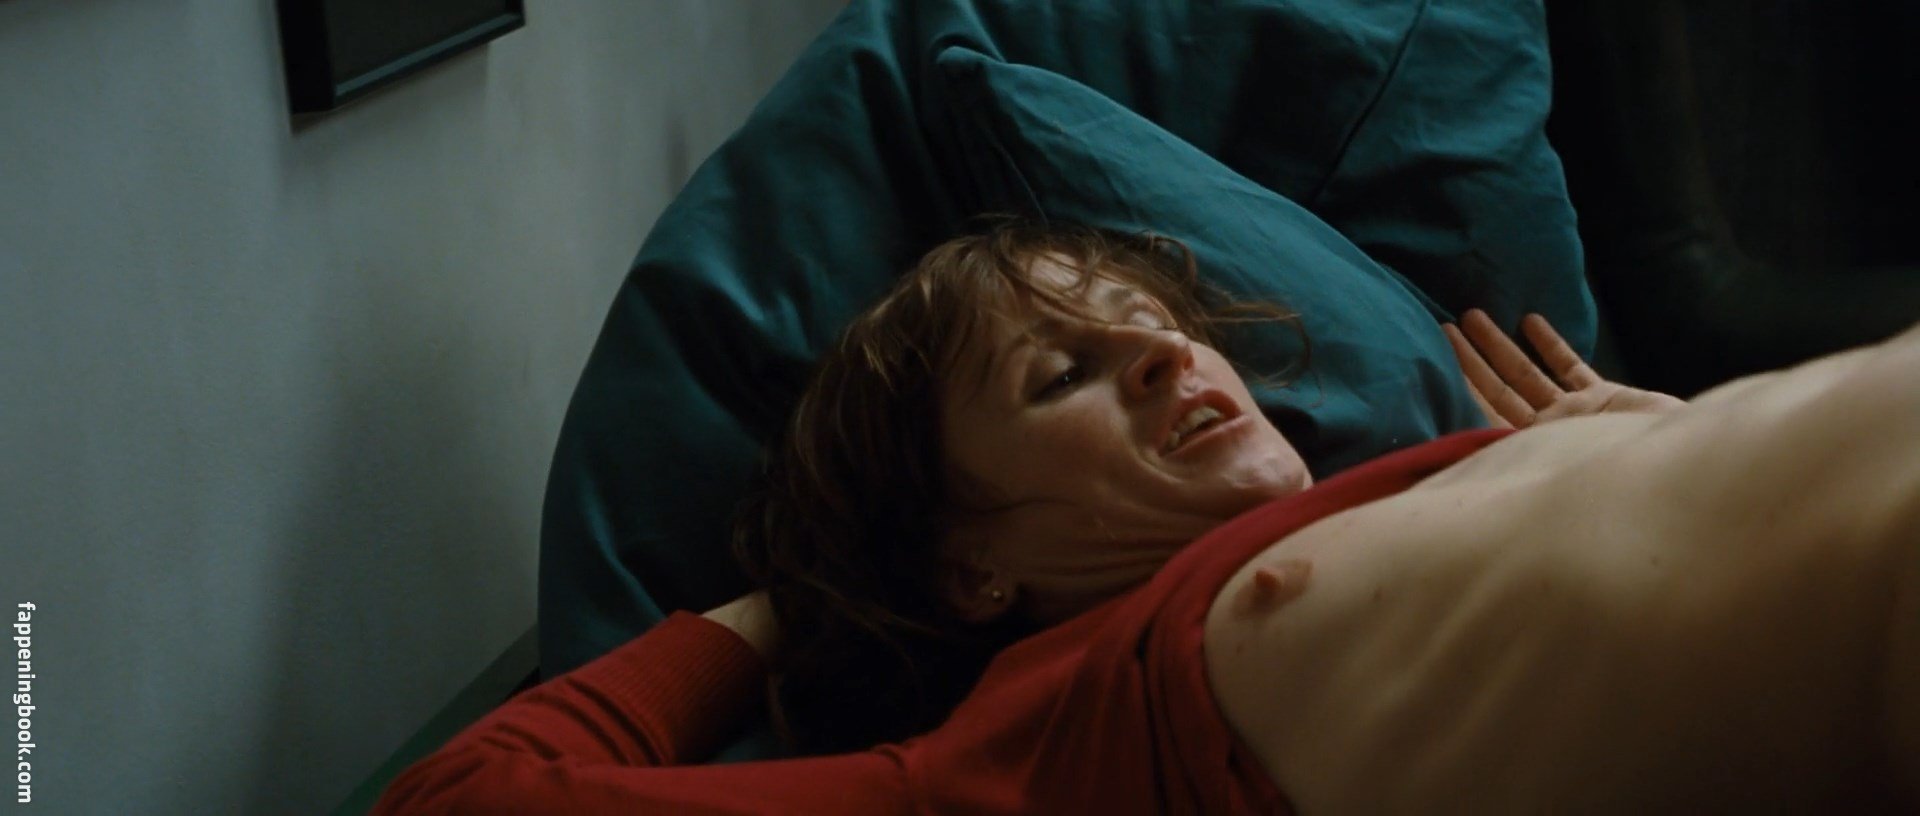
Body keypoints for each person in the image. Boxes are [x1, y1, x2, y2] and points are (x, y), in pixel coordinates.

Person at [375, 218, 1919, 814]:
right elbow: (459, 801)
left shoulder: (1437, 463)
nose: (1171, 356)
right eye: (1063, 374)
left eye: (1158, 325)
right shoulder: (1015, 756)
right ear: (970, 562)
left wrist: (1654, 434)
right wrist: (797, 599)